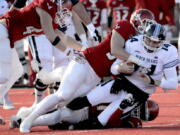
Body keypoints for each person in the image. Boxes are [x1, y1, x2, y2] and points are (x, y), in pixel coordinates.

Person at [19, 9, 155, 133]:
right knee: (63, 94)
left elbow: (116, 66)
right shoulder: (125, 26)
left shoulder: (140, 43)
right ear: (136, 20)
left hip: (96, 76)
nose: (147, 27)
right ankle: (28, 121)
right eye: (145, 23)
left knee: (66, 104)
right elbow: (115, 50)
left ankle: (26, 114)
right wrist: (140, 60)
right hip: (87, 61)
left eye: (149, 24)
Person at [0, 0, 96, 123]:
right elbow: (51, 37)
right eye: (64, 4)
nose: (65, 12)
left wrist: (85, 50)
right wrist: (70, 53)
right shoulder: (45, 4)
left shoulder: (52, 13)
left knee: (16, 72)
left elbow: (64, 38)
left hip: (8, 37)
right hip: (2, 31)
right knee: (3, 76)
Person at [66, 23, 179, 128]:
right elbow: (113, 69)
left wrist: (152, 81)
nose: (151, 44)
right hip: (120, 84)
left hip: (138, 94)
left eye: (155, 42)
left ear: (162, 42)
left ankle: (71, 127)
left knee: (101, 121)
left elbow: (173, 84)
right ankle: (56, 113)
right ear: (144, 36)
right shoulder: (134, 43)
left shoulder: (168, 52)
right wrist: (120, 68)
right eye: (149, 40)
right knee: (81, 102)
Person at [9, 99, 159, 129]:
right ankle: (25, 113)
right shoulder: (131, 96)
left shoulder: (134, 121)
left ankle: (26, 121)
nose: (139, 111)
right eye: (142, 107)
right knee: (56, 101)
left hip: (87, 115)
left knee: (60, 115)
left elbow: (113, 122)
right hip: (88, 99)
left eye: (143, 113)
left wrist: (120, 108)